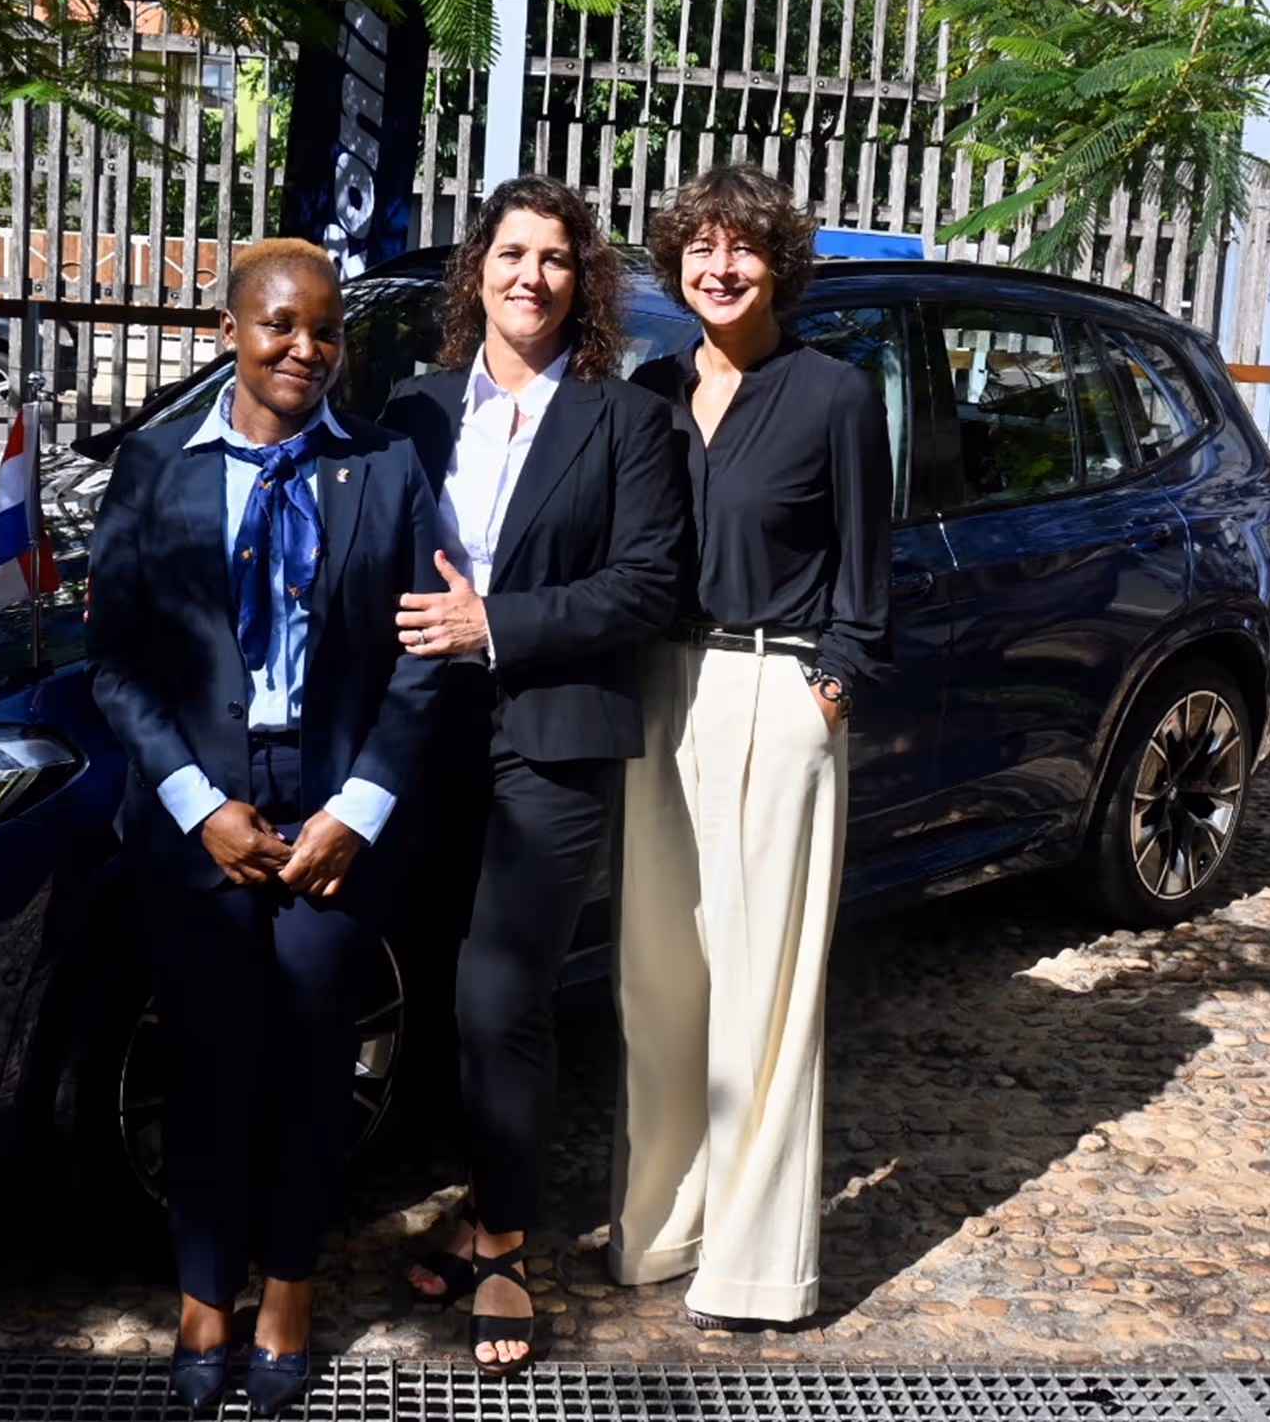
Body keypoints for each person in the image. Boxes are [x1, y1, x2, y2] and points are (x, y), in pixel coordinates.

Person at [85, 238, 447, 1417]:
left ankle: (287, 1294)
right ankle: (204, 1301)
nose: (305, 348)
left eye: (325, 330)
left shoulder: (385, 466)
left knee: (313, 1069)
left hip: (335, 809)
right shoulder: (156, 466)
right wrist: (198, 805)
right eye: (279, 325)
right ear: (229, 332)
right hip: (202, 807)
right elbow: (117, 662)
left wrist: (360, 807)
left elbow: (422, 656)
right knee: (207, 1067)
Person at [380, 176, 687, 1375]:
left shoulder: (623, 420)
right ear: (477, 270)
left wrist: (492, 623)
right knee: (430, 985)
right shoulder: (413, 409)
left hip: (554, 731)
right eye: (512, 253)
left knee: (502, 997)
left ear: (584, 281)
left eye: (557, 258)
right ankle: (467, 1201)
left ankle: (505, 1240)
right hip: (424, 734)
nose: (532, 276)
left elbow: (647, 583)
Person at [607, 163, 892, 1331]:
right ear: (675, 260)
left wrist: (828, 687)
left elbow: (867, 575)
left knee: (764, 987)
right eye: (700, 247)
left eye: (743, 248)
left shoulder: (834, 394)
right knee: (658, 977)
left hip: (778, 688)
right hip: (660, 689)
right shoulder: (653, 389)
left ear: (778, 264)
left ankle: (755, 1263)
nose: (719, 267)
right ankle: (663, 1222)